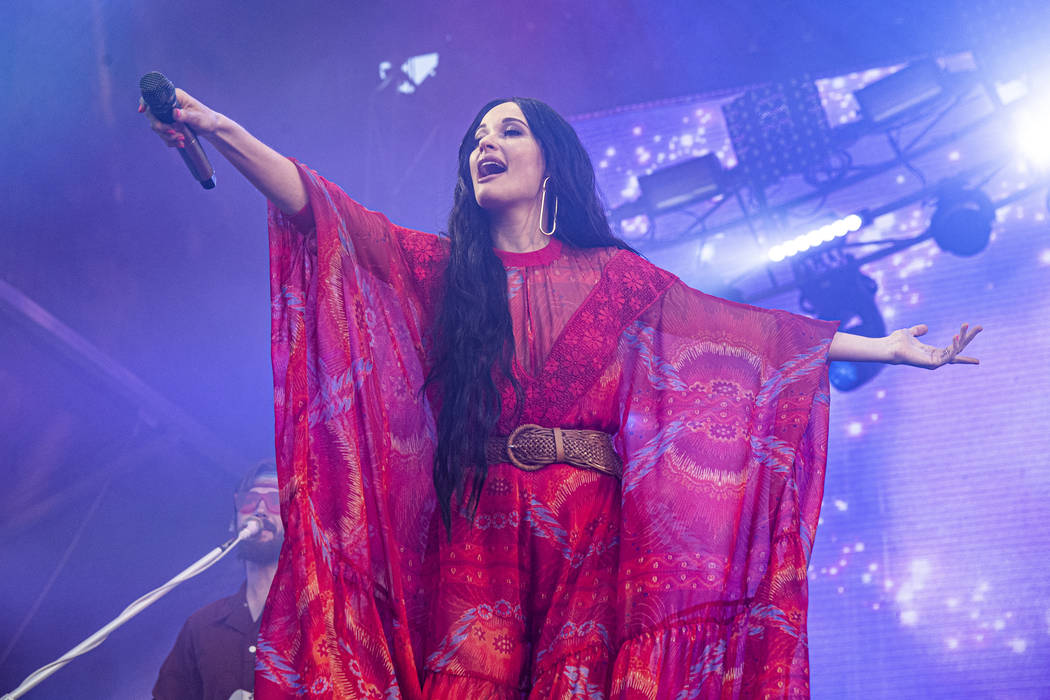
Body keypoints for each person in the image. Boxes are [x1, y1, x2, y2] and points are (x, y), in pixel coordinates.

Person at [142, 91, 980, 699]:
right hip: (477, 529)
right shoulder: (443, 272)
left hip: (590, 533)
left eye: (509, 130)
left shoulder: (619, 280)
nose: (485, 142)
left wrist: (889, 347)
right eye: (476, 135)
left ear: (552, 164)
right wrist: (215, 125)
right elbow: (319, 205)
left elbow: (748, 337)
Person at [153, 460, 284, 700]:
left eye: (276, 501)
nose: (260, 510)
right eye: (250, 500)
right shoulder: (201, 625)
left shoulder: (320, 619)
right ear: (234, 520)